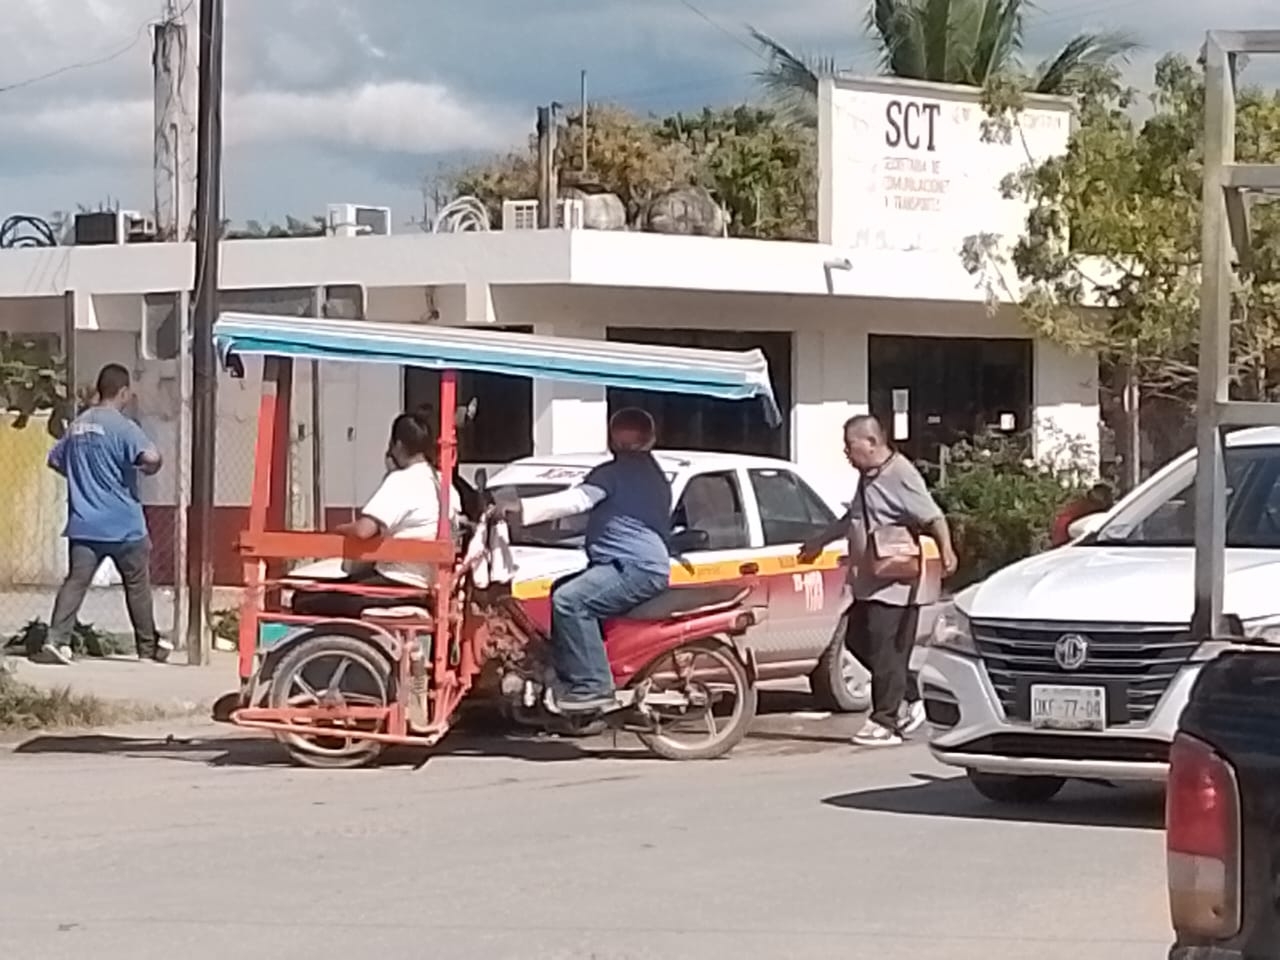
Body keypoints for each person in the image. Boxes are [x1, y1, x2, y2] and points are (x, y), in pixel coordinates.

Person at [493, 408, 671, 713]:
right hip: (635, 565)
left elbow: (577, 501)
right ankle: (571, 669)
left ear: (612, 439)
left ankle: (593, 686)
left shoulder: (614, 473)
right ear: (651, 439)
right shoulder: (654, 475)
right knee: (561, 588)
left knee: (569, 601)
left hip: (632, 567)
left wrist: (519, 508)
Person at [799, 415, 957, 747]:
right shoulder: (868, 477)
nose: (846, 453)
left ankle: (885, 720)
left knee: (886, 650)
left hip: (895, 583)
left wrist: (947, 551)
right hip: (869, 580)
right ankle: (909, 693)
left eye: (850, 445)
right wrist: (820, 541)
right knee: (857, 640)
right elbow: (853, 518)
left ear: (871, 442)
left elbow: (933, 515)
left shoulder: (900, 474)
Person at [42, 363, 166, 665]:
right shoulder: (123, 427)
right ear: (123, 392)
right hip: (125, 526)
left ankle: (55, 640)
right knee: (137, 586)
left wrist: (83, 479)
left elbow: (55, 460)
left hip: (84, 525)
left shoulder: (78, 425)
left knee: (76, 582)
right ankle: (147, 649)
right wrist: (150, 466)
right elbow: (150, 457)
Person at [291, 408, 462, 619]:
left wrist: (339, 529)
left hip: (396, 584)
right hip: (425, 585)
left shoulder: (402, 480)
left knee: (304, 599)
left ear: (397, 445)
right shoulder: (444, 485)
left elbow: (364, 530)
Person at [1050, 482, 1113, 547]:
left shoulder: (1086, 503)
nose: (1109, 497)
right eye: (1106, 494)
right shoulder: (1092, 506)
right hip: (1067, 532)